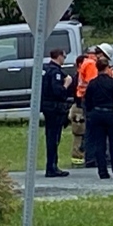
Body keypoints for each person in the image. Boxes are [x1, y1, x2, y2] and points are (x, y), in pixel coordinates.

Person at [70, 43, 113, 168]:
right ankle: (93, 159)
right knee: (93, 131)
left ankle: (95, 158)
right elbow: (95, 84)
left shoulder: (89, 62)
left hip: (87, 100)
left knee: (92, 131)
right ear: (101, 54)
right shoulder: (91, 64)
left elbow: (105, 72)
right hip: (91, 101)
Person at [83, 57, 113, 180]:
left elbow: (88, 101)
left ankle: (103, 172)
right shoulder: (112, 83)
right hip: (110, 113)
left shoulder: (92, 83)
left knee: (99, 144)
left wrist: (91, 113)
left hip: (96, 114)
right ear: (107, 68)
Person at [42, 48, 72, 178]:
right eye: (64, 57)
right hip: (54, 108)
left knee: (51, 136)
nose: (64, 60)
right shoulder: (55, 72)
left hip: (47, 107)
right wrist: (66, 84)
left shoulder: (45, 69)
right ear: (59, 56)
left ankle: (52, 165)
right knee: (54, 138)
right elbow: (58, 92)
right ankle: (52, 167)